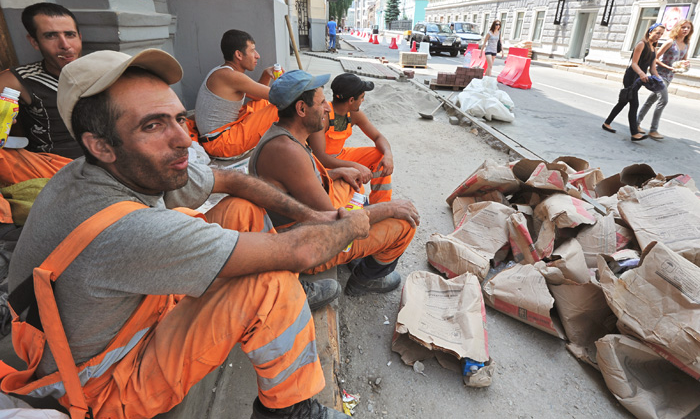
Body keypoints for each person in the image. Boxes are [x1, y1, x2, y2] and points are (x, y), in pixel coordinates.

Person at [6, 49, 365, 419]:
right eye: (153, 125)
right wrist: (351, 222)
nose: (184, 140)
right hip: (105, 382)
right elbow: (300, 253)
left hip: (118, 317)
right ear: (100, 144)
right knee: (269, 284)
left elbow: (229, 178)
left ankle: (290, 300)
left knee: (242, 210)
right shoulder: (126, 230)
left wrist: (313, 215)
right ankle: (289, 410)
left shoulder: (109, 166)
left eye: (179, 118)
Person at [249, 70, 419, 296]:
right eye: (321, 103)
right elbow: (333, 222)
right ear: (301, 109)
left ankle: (360, 246)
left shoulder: (284, 138)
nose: (328, 108)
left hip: (303, 227)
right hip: (306, 245)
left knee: (352, 180)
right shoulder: (288, 151)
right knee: (405, 224)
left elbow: (308, 185)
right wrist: (389, 208)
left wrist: (338, 172)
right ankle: (366, 279)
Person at [0, 3, 84, 224]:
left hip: (106, 161)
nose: (65, 45)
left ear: (79, 36)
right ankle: (5, 228)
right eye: (50, 36)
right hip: (49, 167)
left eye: (70, 34)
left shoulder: (101, 71)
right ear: (34, 42)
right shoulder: (18, 80)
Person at [308, 73, 393, 204]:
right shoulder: (323, 117)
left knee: (380, 155)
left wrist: (388, 154)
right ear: (351, 100)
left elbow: (378, 137)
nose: (363, 100)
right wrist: (355, 166)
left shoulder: (354, 114)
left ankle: (381, 204)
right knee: (355, 185)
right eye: (362, 97)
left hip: (341, 156)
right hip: (322, 165)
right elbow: (320, 157)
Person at [194, 29, 279, 158]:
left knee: (263, 103)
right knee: (280, 108)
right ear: (239, 55)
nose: (257, 55)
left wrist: (266, 74)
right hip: (220, 143)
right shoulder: (231, 76)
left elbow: (257, 96)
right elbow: (281, 95)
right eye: (252, 50)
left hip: (218, 137)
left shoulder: (223, 72)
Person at [603, 23, 666, 141]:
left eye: (661, 34)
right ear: (650, 32)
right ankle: (634, 133)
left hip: (639, 79)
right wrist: (642, 73)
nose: (659, 36)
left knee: (623, 102)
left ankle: (606, 123)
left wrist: (659, 80)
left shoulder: (654, 49)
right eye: (657, 32)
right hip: (631, 77)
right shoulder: (642, 44)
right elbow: (634, 63)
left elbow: (652, 69)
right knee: (634, 104)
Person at [637, 20, 693, 140]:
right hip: (660, 75)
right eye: (683, 27)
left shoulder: (686, 45)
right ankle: (653, 130)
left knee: (651, 100)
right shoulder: (670, 42)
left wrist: (685, 64)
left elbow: (682, 60)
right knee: (664, 100)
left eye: (688, 28)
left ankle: (636, 123)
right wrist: (668, 67)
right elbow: (655, 58)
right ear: (678, 28)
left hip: (670, 76)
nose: (686, 30)